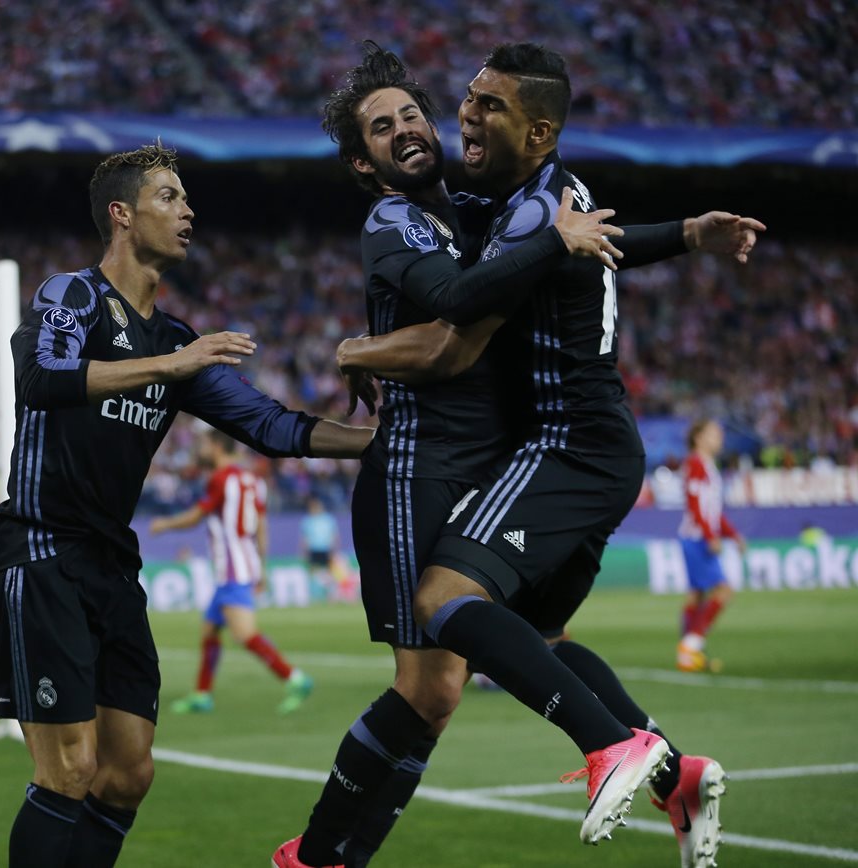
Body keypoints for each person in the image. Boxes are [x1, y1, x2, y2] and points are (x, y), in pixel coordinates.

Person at [275, 42, 757, 868]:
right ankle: (321, 858)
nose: (411, 129)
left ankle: (325, 860)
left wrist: (678, 233)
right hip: (418, 469)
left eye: (411, 113)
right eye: (382, 128)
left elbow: (565, 243)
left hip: (501, 456)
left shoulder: (471, 208)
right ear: (364, 161)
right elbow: (460, 318)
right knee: (437, 685)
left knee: (484, 660)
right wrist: (360, 347)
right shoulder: (394, 219)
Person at [0, 142, 375, 868]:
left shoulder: (176, 339)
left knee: (128, 773)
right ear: (121, 215)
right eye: (169, 196)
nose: (188, 211)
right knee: (67, 770)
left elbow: (271, 427)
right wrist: (171, 366)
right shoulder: (73, 297)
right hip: (41, 554)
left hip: (109, 566)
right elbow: (42, 378)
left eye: (187, 198)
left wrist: (376, 441)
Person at [150, 429, 313, 715]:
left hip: (231, 570)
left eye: (204, 444)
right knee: (210, 629)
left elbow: (195, 517)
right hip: (242, 565)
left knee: (245, 634)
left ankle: (295, 678)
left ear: (216, 447)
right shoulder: (251, 480)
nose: (201, 449)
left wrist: (164, 524)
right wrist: (261, 566)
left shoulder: (220, 479)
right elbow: (261, 525)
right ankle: (202, 694)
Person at [677, 418, 745, 673]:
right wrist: (710, 536)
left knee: (697, 594)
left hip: (697, 536)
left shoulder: (707, 465)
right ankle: (690, 646)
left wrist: (733, 535)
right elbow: (695, 505)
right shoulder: (695, 463)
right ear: (699, 438)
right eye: (714, 434)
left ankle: (688, 652)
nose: (720, 438)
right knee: (723, 591)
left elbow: (713, 511)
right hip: (696, 538)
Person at [300, 496, 344, 596]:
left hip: (326, 549)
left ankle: (331, 593)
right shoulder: (307, 521)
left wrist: (334, 550)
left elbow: (334, 536)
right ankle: (311, 593)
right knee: (312, 571)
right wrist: (304, 552)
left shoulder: (328, 519)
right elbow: (304, 538)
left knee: (330, 571)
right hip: (313, 549)